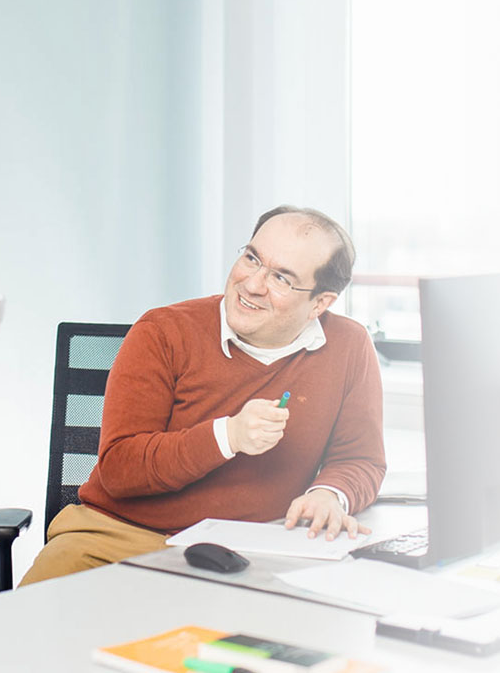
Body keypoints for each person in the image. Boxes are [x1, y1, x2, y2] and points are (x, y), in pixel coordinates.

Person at [20, 205, 385, 585]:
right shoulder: (162, 331)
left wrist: (331, 494)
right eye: (251, 258)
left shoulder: (349, 345)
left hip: (253, 549)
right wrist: (228, 436)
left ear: (320, 303)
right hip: (122, 537)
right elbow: (119, 470)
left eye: (280, 278)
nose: (252, 284)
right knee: (30, 632)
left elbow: (360, 458)